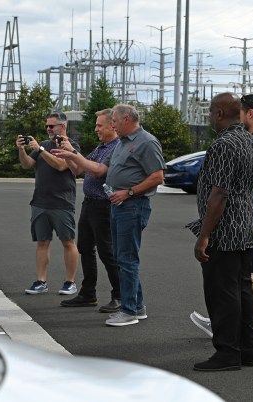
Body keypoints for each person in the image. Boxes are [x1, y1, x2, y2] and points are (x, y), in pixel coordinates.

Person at [52, 104, 165, 327]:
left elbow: (158, 176)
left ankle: (128, 310)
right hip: (117, 205)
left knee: (125, 258)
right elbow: (100, 170)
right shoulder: (121, 143)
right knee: (124, 257)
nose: (112, 125)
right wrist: (72, 154)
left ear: (126, 120)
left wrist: (129, 192)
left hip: (132, 205)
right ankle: (137, 306)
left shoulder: (146, 142)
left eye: (113, 121)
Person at [190, 94, 253, 346]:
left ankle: (237, 342)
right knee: (241, 285)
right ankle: (245, 340)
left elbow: (224, 192)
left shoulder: (236, 142)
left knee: (234, 285)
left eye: (210, 112)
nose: (208, 116)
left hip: (236, 226)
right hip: (245, 223)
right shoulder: (251, 141)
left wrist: (206, 234)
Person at [55, 109, 122, 312]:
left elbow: (98, 170)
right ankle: (88, 293)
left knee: (107, 252)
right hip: (90, 204)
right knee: (85, 248)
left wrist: (72, 153)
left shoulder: (116, 148)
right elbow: (78, 169)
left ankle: (119, 295)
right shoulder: (101, 147)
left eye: (100, 125)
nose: (96, 129)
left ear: (112, 125)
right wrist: (66, 153)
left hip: (103, 205)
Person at [17, 111, 81, 296]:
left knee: (68, 241)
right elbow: (27, 164)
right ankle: (41, 281)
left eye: (51, 126)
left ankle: (70, 282)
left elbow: (61, 165)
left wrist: (40, 150)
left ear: (63, 126)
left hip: (62, 202)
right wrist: (22, 149)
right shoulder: (43, 145)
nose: (48, 129)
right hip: (40, 201)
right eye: (47, 126)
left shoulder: (71, 146)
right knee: (42, 242)